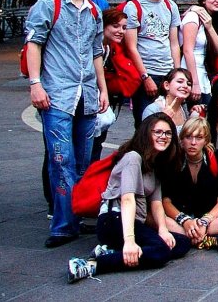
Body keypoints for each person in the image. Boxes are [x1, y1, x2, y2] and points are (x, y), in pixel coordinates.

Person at [25, 0, 108, 248]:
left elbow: (97, 52)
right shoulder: (49, 4)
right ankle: (61, 226)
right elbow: (34, 43)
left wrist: (103, 89)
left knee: (83, 163)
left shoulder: (94, 11)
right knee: (62, 160)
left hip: (86, 94)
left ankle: (74, 217)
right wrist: (36, 84)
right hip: (57, 94)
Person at [67, 113, 190, 281]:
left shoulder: (155, 165)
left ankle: (112, 251)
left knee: (181, 242)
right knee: (160, 252)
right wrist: (130, 240)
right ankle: (92, 265)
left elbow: (156, 204)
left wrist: (163, 230)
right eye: (158, 132)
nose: (164, 137)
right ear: (146, 133)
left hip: (134, 222)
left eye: (168, 133)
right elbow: (127, 199)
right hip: (114, 220)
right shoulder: (133, 157)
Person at [163, 118, 218, 250]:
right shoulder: (173, 160)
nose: (193, 143)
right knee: (156, 218)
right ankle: (207, 239)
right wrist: (185, 221)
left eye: (199, 138)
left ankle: (192, 237)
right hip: (180, 217)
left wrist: (205, 221)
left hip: (209, 217)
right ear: (181, 140)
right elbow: (166, 200)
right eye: (188, 137)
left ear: (206, 140)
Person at [122, 0, 182, 127]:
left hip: (168, 72)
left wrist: (177, 72)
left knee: (170, 122)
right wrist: (145, 76)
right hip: (147, 71)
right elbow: (131, 46)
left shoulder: (171, 6)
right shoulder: (134, 6)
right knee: (146, 124)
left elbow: (174, 43)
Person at [92, 7, 142, 161]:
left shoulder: (109, 47)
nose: (121, 31)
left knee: (97, 140)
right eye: (116, 26)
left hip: (101, 96)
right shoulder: (97, 46)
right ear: (103, 26)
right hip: (89, 96)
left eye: (124, 27)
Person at [180, 0, 218, 104]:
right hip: (191, 74)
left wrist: (210, 27)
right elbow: (187, 50)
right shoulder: (193, 17)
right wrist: (194, 83)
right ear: (204, 0)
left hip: (204, 75)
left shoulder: (212, 20)